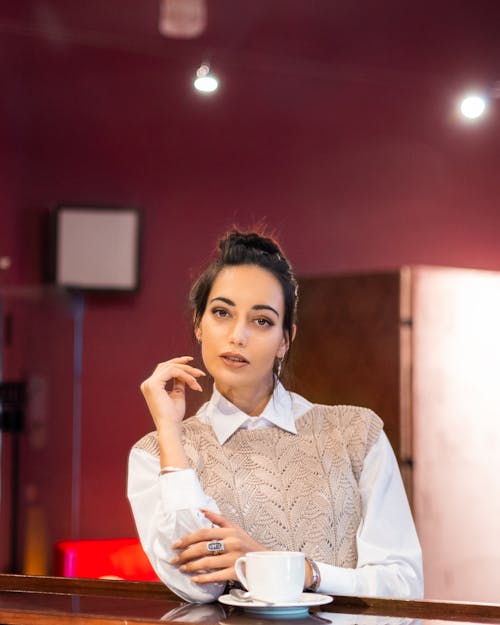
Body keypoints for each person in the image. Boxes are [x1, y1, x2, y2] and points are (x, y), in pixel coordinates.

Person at [127, 230, 423, 603]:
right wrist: (170, 431)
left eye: (262, 321)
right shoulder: (154, 455)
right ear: (199, 324)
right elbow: (199, 585)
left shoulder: (356, 434)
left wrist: (290, 568)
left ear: (285, 339)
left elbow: (404, 586)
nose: (238, 336)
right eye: (222, 313)